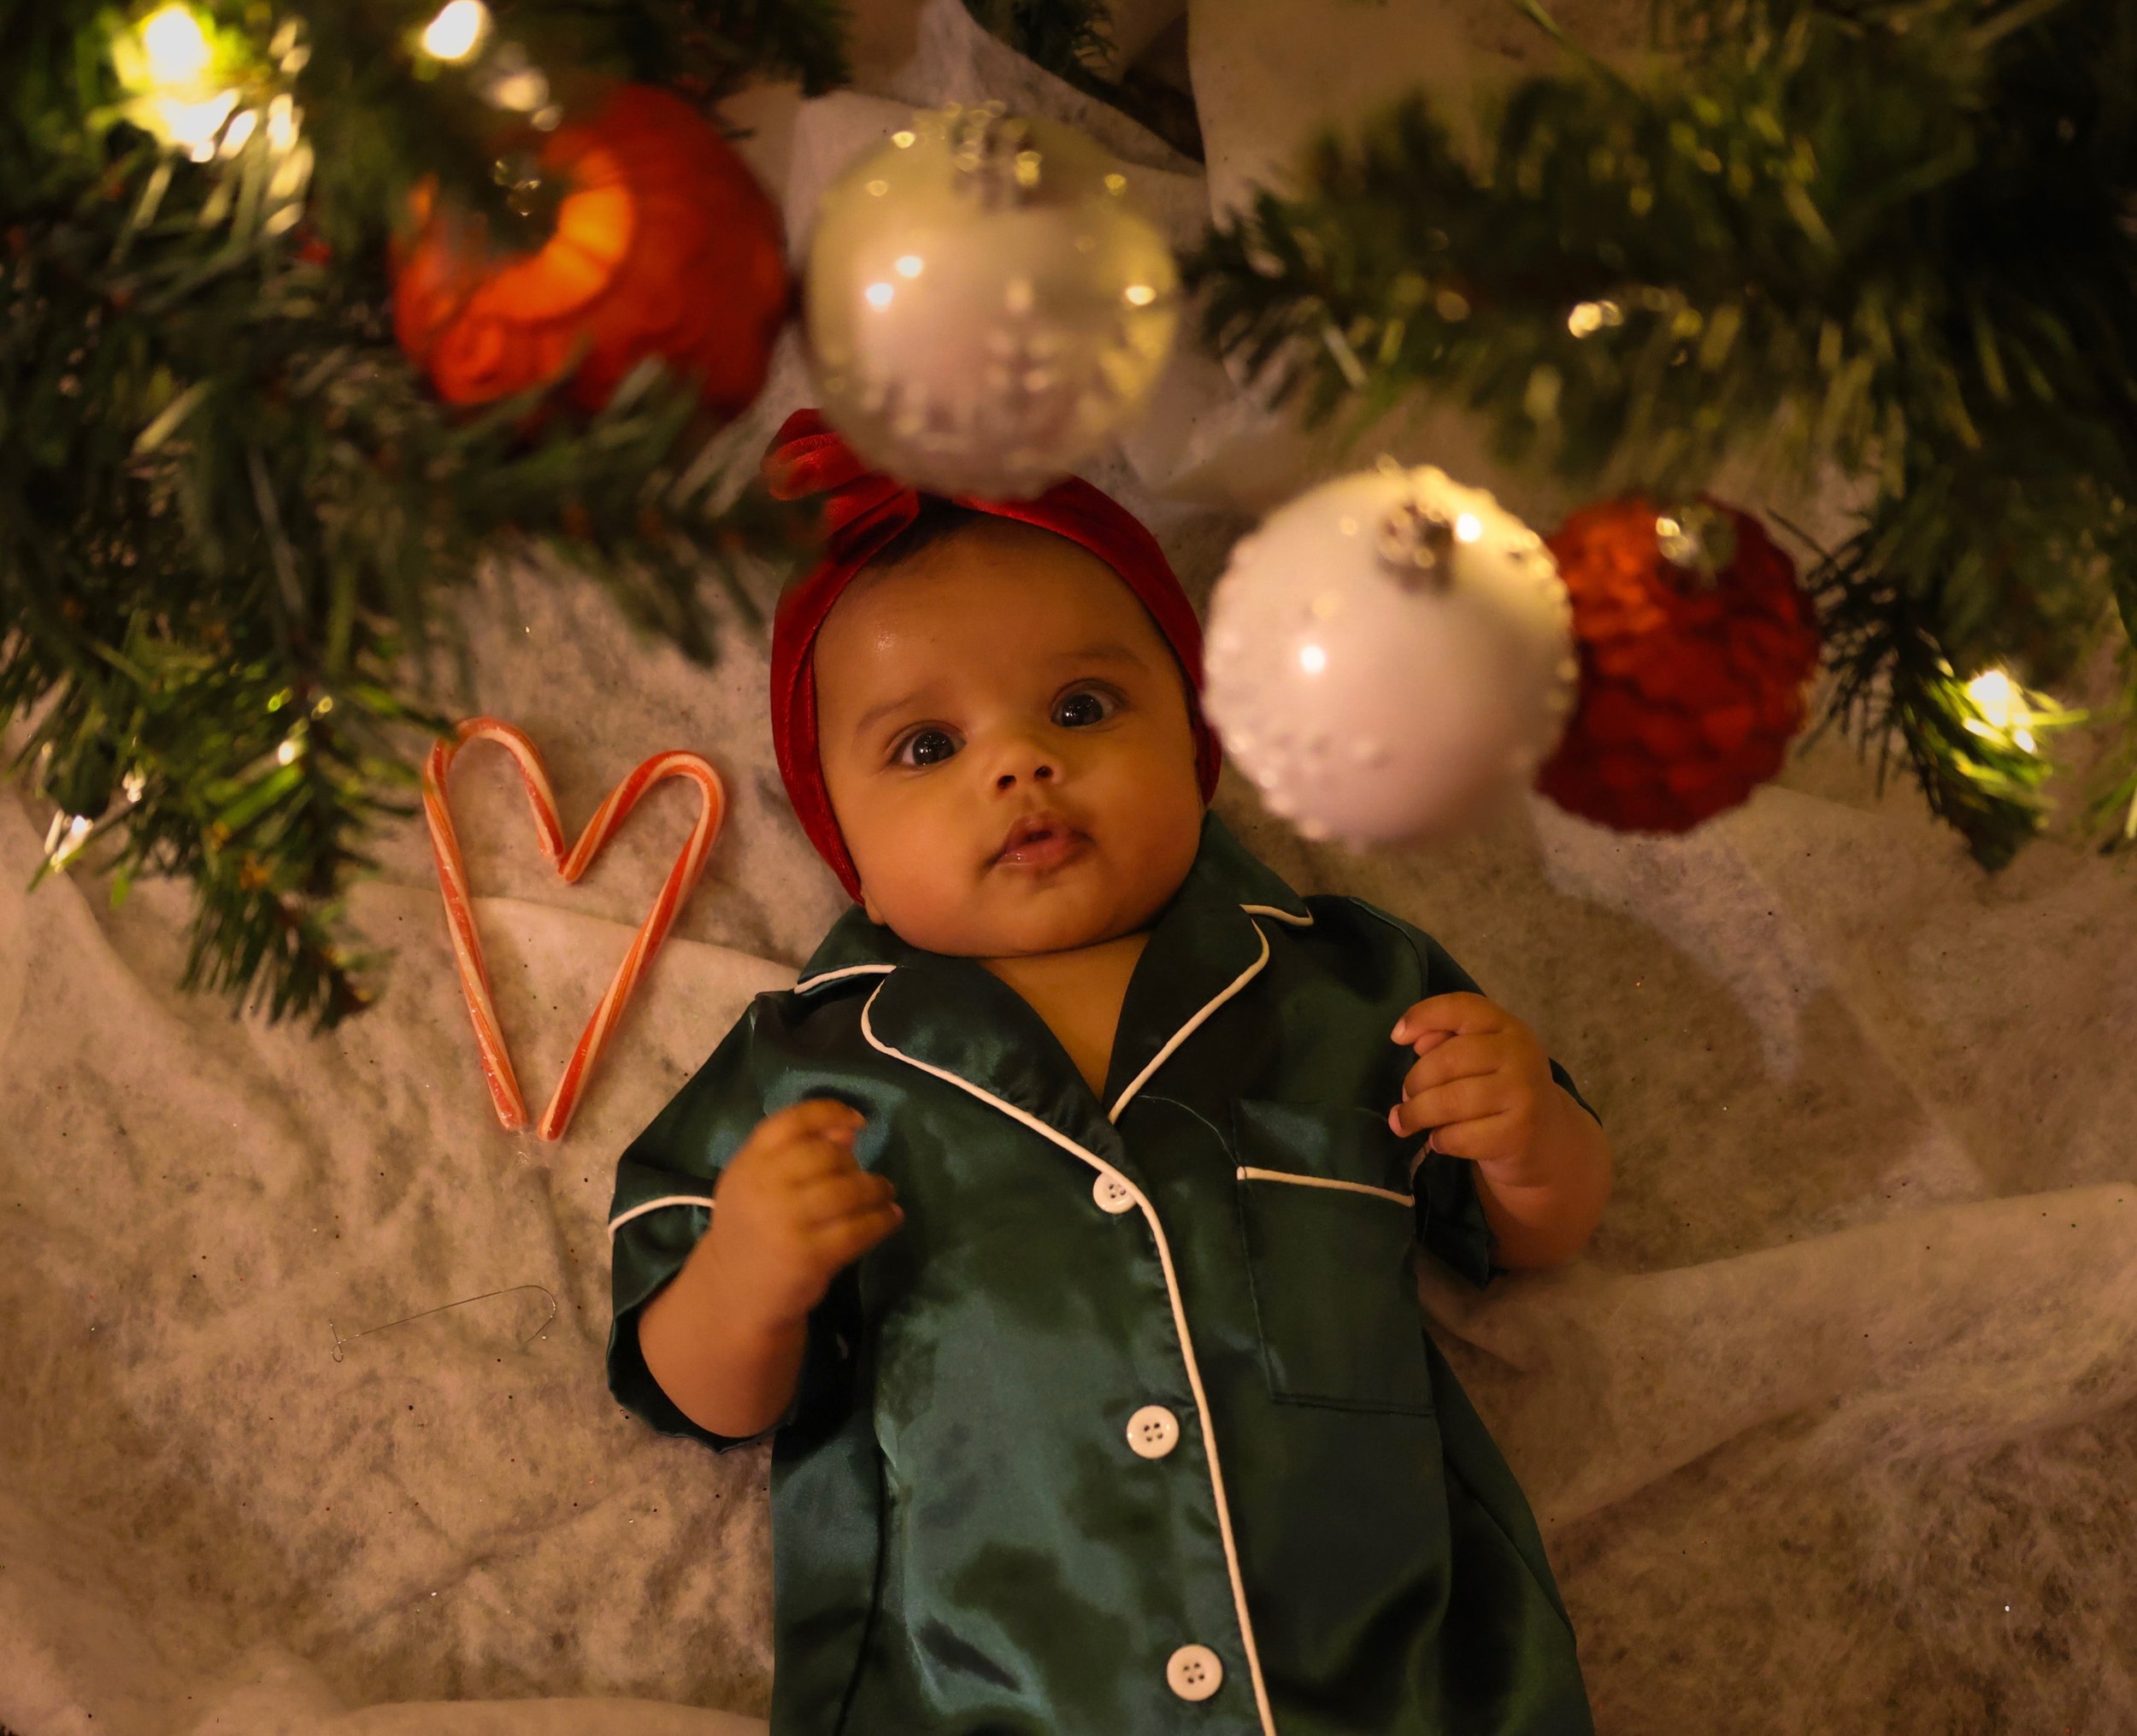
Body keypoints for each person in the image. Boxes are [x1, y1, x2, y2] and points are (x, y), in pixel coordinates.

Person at [605, 408, 1613, 1736]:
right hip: (982, 1689)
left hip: (1387, 1682)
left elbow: (1542, 1231)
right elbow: (702, 1397)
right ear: (839, 833)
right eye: (926, 747)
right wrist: (744, 1279)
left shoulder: (1345, 986)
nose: (1022, 762)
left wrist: (1528, 1132)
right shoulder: (806, 1070)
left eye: (1083, 707)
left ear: (1193, 738)